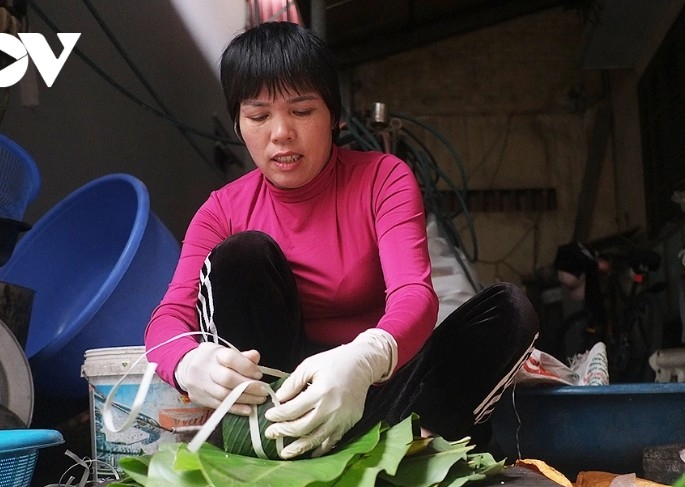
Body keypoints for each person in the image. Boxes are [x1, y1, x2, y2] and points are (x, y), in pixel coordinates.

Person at [144, 21, 538, 460]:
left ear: (334, 116)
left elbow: (414, 295)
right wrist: (186, 362)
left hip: (378, 398)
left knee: (509, 310)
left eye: (302, 111)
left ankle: (414, 444)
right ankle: (274, 443)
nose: (281, 133)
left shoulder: (382, 178)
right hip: (279, 415)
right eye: (258, 116)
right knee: (241, 255)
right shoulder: (222, 210)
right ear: (238, 123)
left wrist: (364, 358)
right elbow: (167, 322)